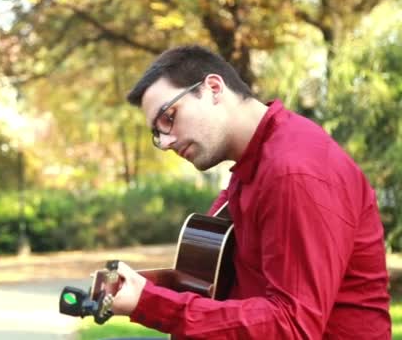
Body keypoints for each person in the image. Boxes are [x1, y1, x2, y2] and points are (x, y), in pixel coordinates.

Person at [110, 45, 391, 339]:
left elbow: (292, 326)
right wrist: (135, 290)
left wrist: (150, 302)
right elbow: (211, 280)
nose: (166, 142)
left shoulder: (294, 171)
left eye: (168, 117)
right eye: (157, 133)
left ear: (213, 88)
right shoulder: (251, 169)